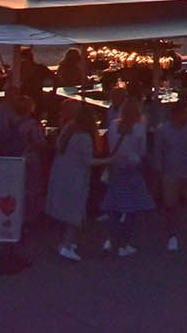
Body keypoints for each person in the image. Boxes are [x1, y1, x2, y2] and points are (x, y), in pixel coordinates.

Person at [96, 99, 154, 256]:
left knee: (114, 207)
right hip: (132, 168)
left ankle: (109, 241)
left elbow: (109, 145)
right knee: (130, 209)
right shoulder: (139, 128)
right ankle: (124, 244)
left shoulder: (113, 126)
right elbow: (142, 151)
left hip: (115, 167)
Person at [152, 101, 187, 251]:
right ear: (176, 114)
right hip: (170, 173)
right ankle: (172, 237)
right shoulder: (162, 130)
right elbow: (158, 154)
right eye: (185, 113)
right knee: (170, 206)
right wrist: (158, 175)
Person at [45, 106, 97, 260]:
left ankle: (67, 242)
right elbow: (88, 160)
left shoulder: (68, 129)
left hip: (61, 174)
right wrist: (110, 160)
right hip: (77, 177)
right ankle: (66, 245)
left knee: (66, 209)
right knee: (75, 211)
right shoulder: (84, 137)